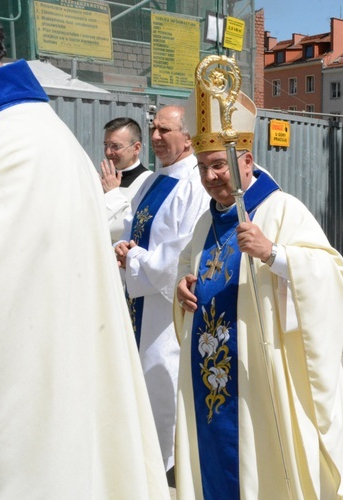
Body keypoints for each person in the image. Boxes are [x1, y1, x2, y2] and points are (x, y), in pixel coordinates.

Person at [0, 0, 168, 497]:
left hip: (19, 419)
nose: (113, 153)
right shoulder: (32, 134)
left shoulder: (13, 144)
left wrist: (136, 258)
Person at [173, 56, 343, 499]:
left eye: (219, 166)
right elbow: (188, 268)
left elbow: (333, 276)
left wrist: (275, 254)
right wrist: (184, 287)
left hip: (264, 374)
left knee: (263, 462)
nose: (210, 178)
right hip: (216, 372)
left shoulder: (283, 209)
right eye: (203, 167)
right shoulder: (205, 223)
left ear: (245, 160)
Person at [115, 104, 210, 475]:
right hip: (139, 297)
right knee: (141, 374)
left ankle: (169, 462)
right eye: (153, 129)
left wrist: (133, 259)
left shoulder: (193, 184)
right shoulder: (152, 181)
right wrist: (123, 248)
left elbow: (179, 256)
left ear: (188, 137)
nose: (155, 137)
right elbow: (129, 224)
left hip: (164, 308)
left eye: (165, 131)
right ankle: (145, 450)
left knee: (163, 375)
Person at [100, 117, 152, 241]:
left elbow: (130, 227)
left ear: (136, 148)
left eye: (115, 146)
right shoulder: (102, 180)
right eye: (106, 145)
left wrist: (112, 193)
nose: (108, 152)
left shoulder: (149, 182)